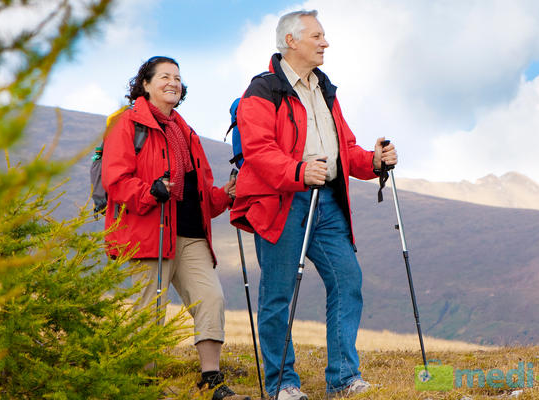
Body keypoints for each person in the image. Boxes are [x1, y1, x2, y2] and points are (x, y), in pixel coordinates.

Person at [230, 10, 398, 400]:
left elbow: (344, 149)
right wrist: (298, 171)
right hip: (280, 202)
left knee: (348, 280)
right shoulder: (261, 91)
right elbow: (257, 151)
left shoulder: (325, 89)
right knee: (278, 294)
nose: (325, 43)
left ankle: (343, 379)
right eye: (317, 36)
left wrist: (373, 161)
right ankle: (282, 385)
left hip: (327, 203)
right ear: (291, 41)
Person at [102, 56, 249, 400]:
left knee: (211, 298)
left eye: (178, 78)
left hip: (190, 234)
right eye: (165, 76)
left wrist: (225, 195)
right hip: (148, 233)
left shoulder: (184, 131)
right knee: (148, 311)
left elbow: (197, 194)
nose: (173, 82)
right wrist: (149, 191)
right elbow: (116, 181)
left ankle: (211, 381)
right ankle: (143, 387)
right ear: (146, 84)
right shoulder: (127, 125)